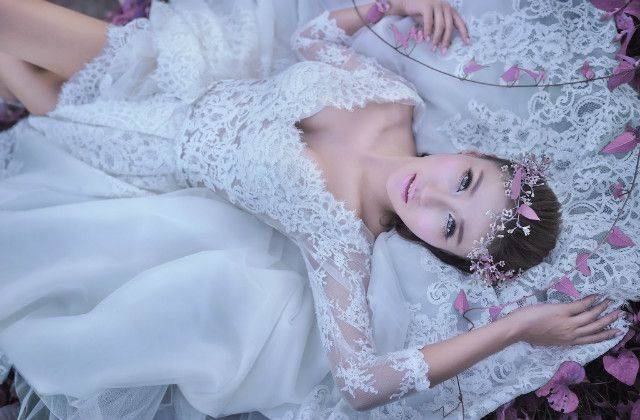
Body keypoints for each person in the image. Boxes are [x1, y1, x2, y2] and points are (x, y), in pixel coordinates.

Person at [0, 0, 627, 418]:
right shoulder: (393, 101)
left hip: (128, 150)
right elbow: (313, 39)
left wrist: (514, 329)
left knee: (22, 73)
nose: (432, 196)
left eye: (450, 226)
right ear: (470, 153)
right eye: (464, 180)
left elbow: (360, 383)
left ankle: (36, 107)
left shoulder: (340, 233)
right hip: (171, 73)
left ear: (440, 248)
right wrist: (387, 6)